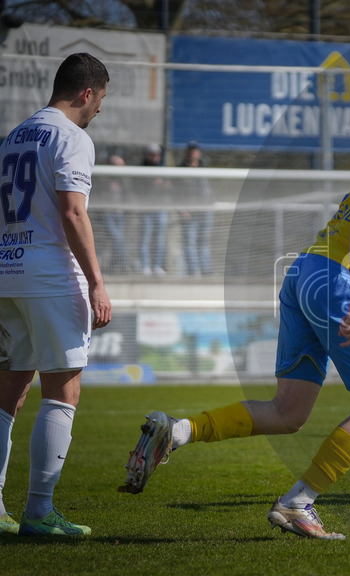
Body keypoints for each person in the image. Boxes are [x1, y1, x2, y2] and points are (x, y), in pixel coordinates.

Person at [119, 91, 350, 539]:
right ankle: (298, 503)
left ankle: (179, 431)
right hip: (337, 281)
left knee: (288, 412)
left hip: (307, 272)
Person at [0, 53, 112, 536]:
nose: (100, 109)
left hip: (6, 272)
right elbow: (72, 212)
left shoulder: (13, 136)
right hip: (49, 276)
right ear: (87, 93)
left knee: (8, 394)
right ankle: (39, 512)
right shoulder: (72, 137)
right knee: (63, 391)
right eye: (101, 98)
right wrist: (97, 282)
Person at [179, 141, 214, 276]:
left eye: (195, 151)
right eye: (191, 151)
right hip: (190, 211)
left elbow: (209, 190)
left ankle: (206, 270)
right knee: (190, 242)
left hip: (205, 211)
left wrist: (210, 204)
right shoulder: (181, 169)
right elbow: (177, 192)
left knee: (203, 242)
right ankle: (193, 271)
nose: (193, 153)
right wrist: (182, 208)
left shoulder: (204, 168)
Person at [138, 143, 171, 276]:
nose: (155, 157)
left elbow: (170, 188)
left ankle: (157, 266)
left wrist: (165, 185)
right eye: (152, 154)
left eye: (157, 154)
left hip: (160, 209)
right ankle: (145, 266)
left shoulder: (164, 170)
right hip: (146, 210)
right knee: (145, 238)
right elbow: (137, 189)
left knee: (160, 239)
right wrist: (152, 183)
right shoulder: (141, 169)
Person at [101, 154, 129, 274]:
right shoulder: (103, 180)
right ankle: (125, 263)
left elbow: (128, 195)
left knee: (118, 239)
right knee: (117, 238)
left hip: (120, 214)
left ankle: (115, 265)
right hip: (108, 213)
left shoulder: (124, 181)